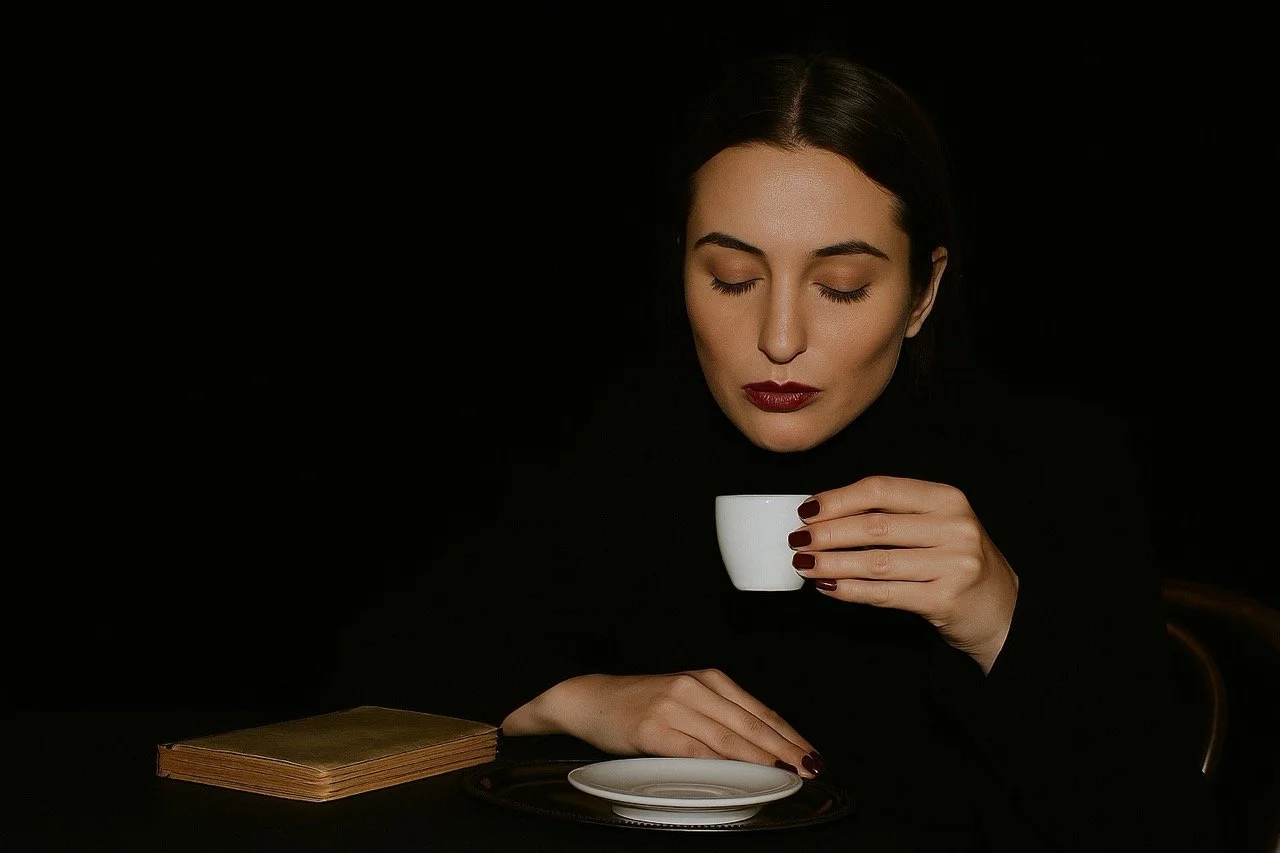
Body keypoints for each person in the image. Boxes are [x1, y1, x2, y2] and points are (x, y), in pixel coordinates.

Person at [342, 49, 1222, 851]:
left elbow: (1162, 825)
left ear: (923, 295)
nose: (778, 337)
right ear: (679, 267)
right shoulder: (617, 445)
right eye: (731, 277)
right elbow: (374, 665)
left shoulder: (1052, 462)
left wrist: (1000, 621)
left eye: (842, 286)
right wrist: (583, 694)